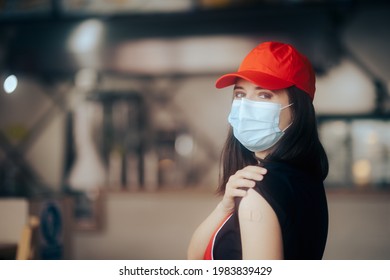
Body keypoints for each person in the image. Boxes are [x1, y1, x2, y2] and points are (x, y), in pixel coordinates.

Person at [187, 41, 329, 260]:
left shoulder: (258, 191)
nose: (246, 106)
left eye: (264, 95)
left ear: (297, 109)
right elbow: (194, 258)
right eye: (240, 94)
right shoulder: (306, 179)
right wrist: (225, 207)